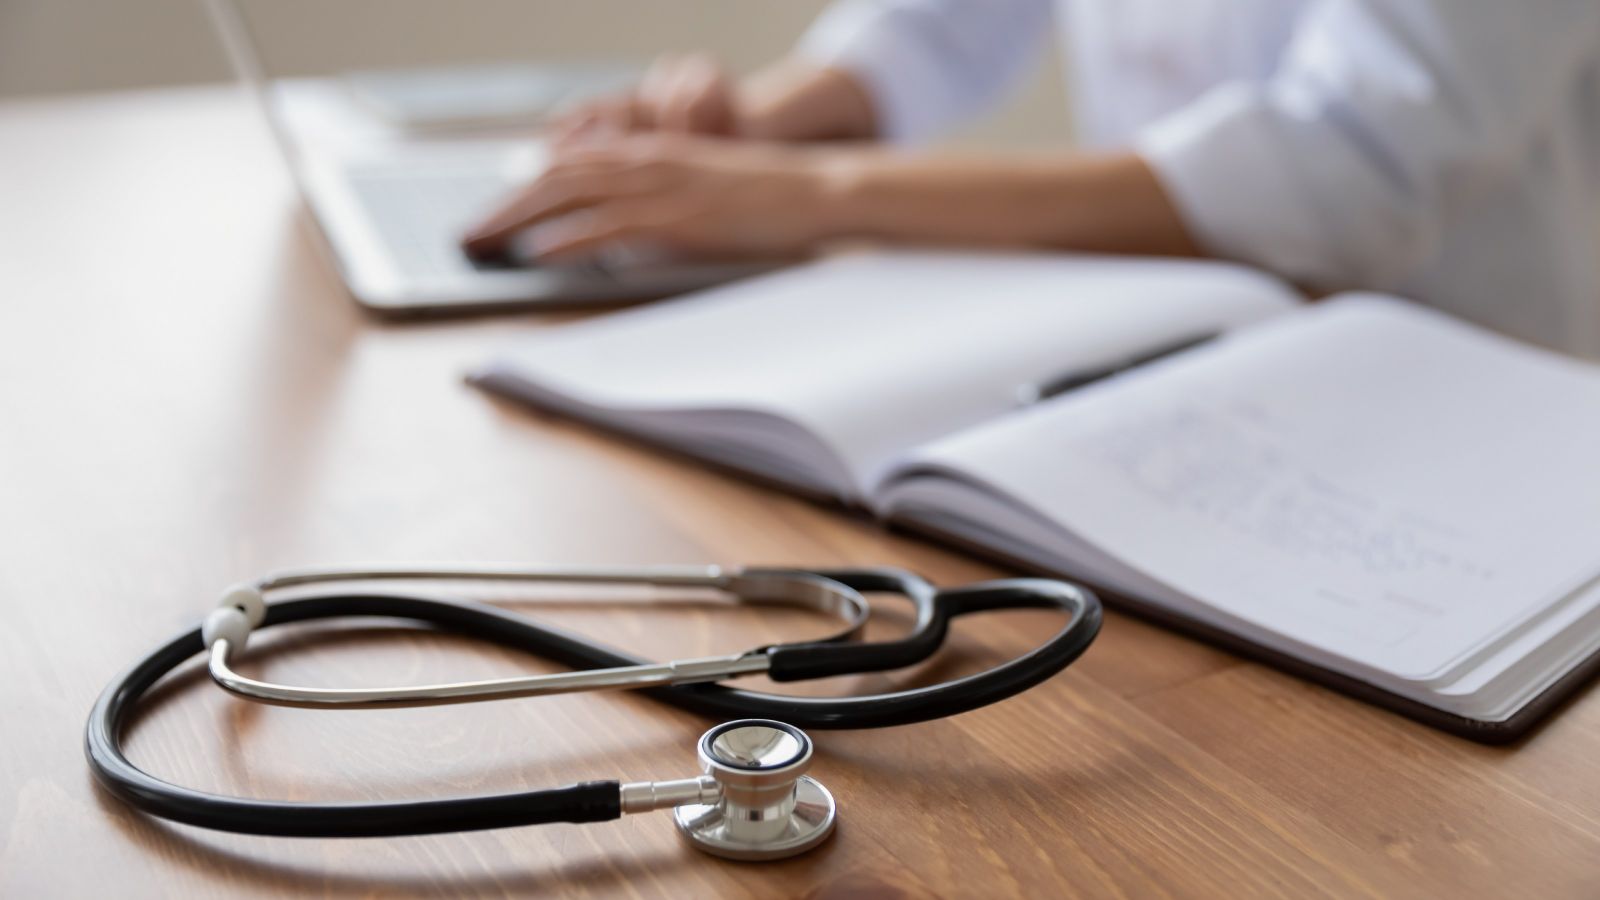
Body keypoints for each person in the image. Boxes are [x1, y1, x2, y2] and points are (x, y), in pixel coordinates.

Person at [462, 1, 1600, 356]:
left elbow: (1350, 169)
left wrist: (815, 196)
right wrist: (757, 128)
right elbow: (950, 20)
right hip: (1158, 328)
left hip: (1442, 360)